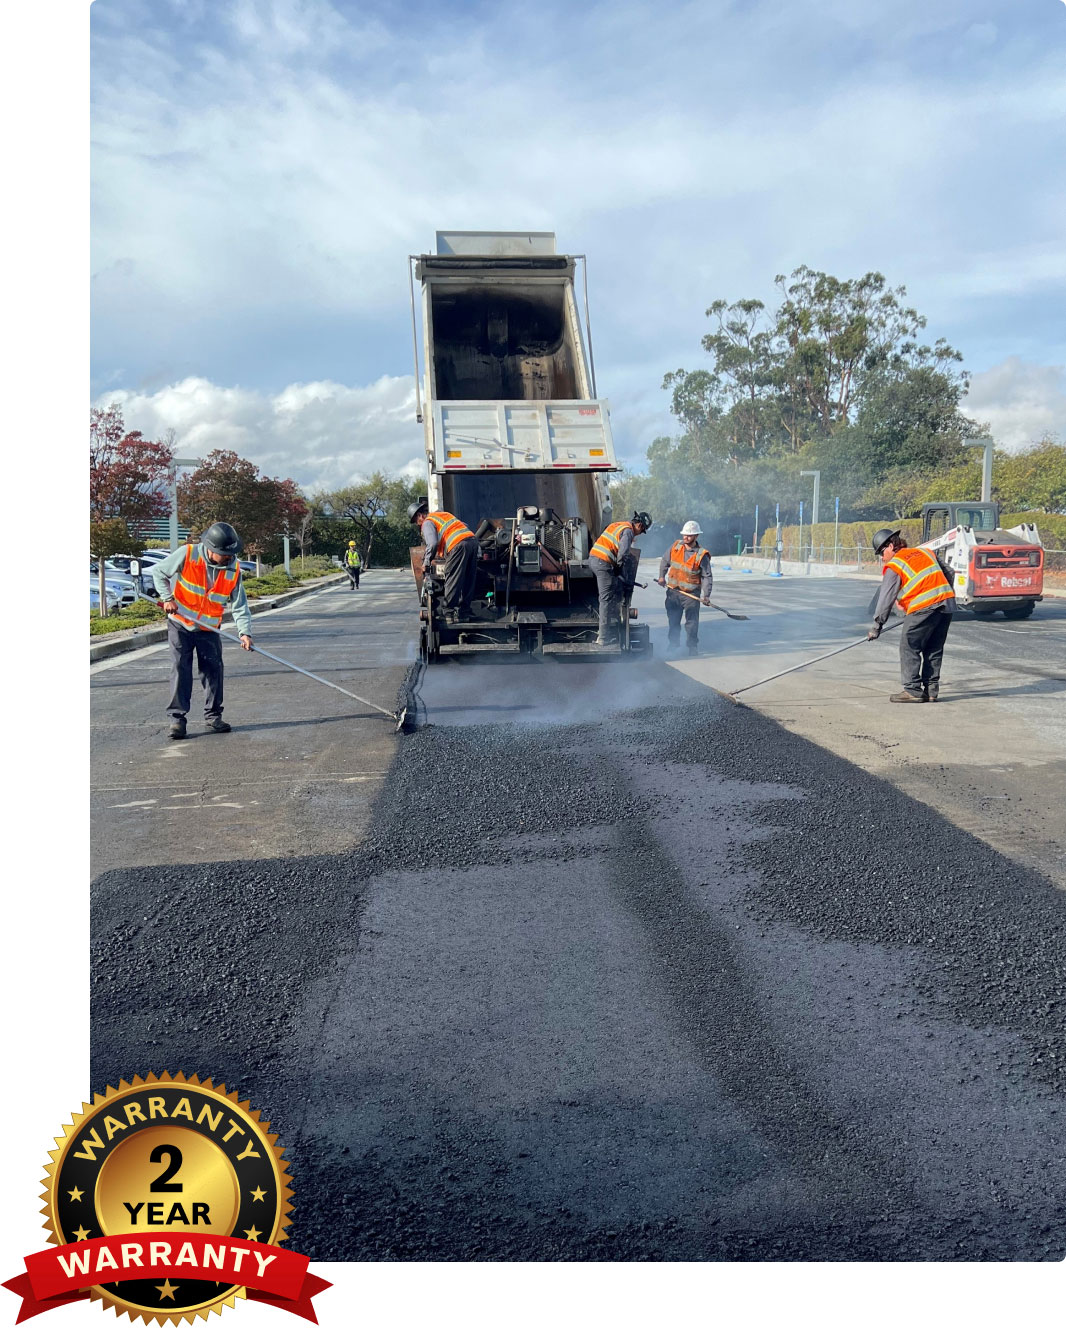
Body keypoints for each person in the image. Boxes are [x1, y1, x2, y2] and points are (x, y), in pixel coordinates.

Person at [151, 522, 254, 738]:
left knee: (213, 671)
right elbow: (159, 572)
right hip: (180, 623)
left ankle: (213, 716)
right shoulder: (187, 554)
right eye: (224, 554)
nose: (229, 557)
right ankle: (177, 720)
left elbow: (239, 604)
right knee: (181, 669)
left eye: (231, 553)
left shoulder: (233, 569)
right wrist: (168, 598)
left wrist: (244, 632)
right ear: (211, 549)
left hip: (209, 627)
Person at [867, 526, 954, 703]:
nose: (882, 559)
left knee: (908, 646)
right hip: (946, 603)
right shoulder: (925, 553)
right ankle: (931, 691)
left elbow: (886, 598)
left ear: (890, 546)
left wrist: (877, 626)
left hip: (924, 607)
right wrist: (942, 593)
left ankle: (912, 690)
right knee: (934, 648)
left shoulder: (895, 564)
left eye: (881, 553)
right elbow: (950, 572)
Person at [588, 511, 651, 645]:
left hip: (594, 559)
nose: (639, 534)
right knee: (606, 599)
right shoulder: (628, 532)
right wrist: (619, 566)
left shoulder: (618, 525)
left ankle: (606, 627)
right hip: (603, 562)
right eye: (642, 531)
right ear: (639, 525)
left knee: (611, 588)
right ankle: (604, 638)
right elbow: (623, 552)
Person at [409, 499, 478, 620]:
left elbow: (432, 543)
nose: (418, 524)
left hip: (458, 546)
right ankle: (465, 611)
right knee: (468, 579)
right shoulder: (443, 515)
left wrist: (426, 562)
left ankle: (448, 613)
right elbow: (464, 526)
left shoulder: (427, 522)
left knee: (452, 576)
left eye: (416, 521)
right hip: (472, 542)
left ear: (419, 515)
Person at [657, 520, 713, 655]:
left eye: (689, 535)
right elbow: (665, 561)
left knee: (692, 623)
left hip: (691, 595)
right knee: (673, 621)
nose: (685, 537)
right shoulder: (676, 546)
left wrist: (706, 595)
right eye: (684, 534)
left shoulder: (701, 555)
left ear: (696, 536)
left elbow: (707, 576)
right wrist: (661, 576)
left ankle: (692, 646)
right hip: (673, 592)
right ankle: (673, 644)